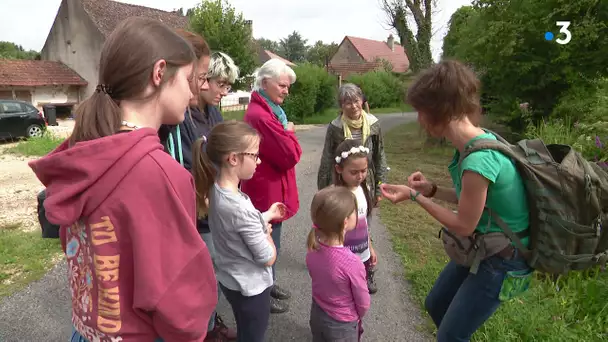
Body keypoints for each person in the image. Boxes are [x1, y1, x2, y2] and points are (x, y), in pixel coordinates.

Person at [29, 17, 217, 342]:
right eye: (187, 79)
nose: (191, 94)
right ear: (159, 74)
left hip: (88, 331)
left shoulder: (84, 153)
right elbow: (177, 294)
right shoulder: (160, 173)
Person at [379, 60, 531, 342]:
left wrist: (415, 197)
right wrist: (432, 190)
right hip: (484, 246)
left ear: (438, 111)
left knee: (449, 336)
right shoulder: (473, 144)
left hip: (503, 258)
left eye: (421, 111)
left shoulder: (478, 159)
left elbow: (463, 225)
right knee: (435, 305)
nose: (419, 119)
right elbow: (473, 198)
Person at [160, 47, 240, 342]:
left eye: (226, 85)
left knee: (212, 271)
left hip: (216, 204)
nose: (222, 90)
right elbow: (187, 163)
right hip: (200, 209)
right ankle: (203, 330)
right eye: (220, 82)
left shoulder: (213, 112)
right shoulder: (182, 117)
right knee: (203, 274)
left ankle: (208, 322)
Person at [192, 121, 286, 342]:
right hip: (251, 289)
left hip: (231, 281)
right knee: (254, 335)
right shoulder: (240, 208)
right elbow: (267, 258)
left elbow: (237, 227)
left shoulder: (214, 190)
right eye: (254, 155)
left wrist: (265, 216)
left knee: (245, 328)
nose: (259, 160)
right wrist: (267, 234)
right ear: (233, 158)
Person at [240, 58, 302, 314]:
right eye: (283, 86)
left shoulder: (270, 112)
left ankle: (270, 283)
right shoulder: (262, 117)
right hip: (266, 192)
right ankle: (262, 295)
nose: (287, 91)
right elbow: (290, 155)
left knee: (272, 242)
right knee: (266, 244)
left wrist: (286, 129)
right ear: (265, 83)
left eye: (288, 86)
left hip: (273, 189)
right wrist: (289, 131)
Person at [306, 186, 371, 342]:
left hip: (318, 313)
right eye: (354, 211)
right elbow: (363, 302)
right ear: (345, 222)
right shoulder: (352, 262)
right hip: (342, 326)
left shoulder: (312, 249)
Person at [317, 83, 388, 208]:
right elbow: (327, 159)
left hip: (366, 181)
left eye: (356, 101)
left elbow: (379, 156)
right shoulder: (335, 127)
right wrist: (323, 190)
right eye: (348, 103)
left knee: (363, 219)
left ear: (362, 101)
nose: (354, 106)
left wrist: (379, 188)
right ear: (341, 105)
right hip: (341, 182)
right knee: (343, 218)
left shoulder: (373, 124)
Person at [331, 139, 379, 293]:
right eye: (354, 172)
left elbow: (364, 224)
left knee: (359, 293)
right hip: (343, 260)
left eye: (364, 171)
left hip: (363, 256)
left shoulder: (362, 190)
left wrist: (370, 248)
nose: (360, 176)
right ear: (339, 169)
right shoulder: (335, 197)